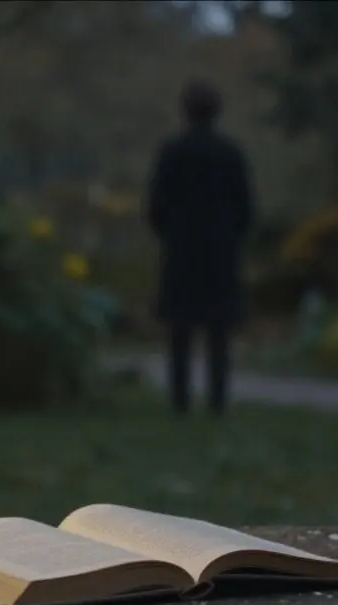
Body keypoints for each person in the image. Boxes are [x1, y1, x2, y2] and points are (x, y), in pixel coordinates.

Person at [147, 80, 253, 415]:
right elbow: (246, 207)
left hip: (181, 250)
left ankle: (180, 400)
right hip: (220, 251)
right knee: (218, 331)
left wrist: (170, 233)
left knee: (180, 330)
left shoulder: (172, 152)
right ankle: (217, 400)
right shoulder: (230, 154)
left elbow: (156, 205)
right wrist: (232, 235)